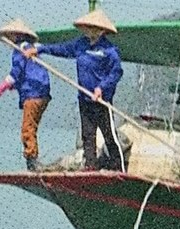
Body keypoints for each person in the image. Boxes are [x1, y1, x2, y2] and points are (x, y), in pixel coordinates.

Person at [27, 9, 123, 171]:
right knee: (88, 134)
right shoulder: (80, 45)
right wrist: (40, 49)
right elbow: (62, 49)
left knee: (109, 135)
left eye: (92, 28)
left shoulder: (109, 50)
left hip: (102, 101)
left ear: (101, 30)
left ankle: (119, 167)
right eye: (86, 27)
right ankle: (91, 167)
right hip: (84, 99)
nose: (88, 30)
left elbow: (116, 73)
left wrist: (101, 88)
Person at [0, 18, 51, 172]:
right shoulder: (31, 48)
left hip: (33, 93)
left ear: (16, 35)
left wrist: (3, 86)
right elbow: (28, 72)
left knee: (27, 128)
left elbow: (16, 71)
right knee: (32, 127)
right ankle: (32, 159)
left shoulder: (21, 49)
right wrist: (15, 86)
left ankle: (32, 161)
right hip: (41, 93)